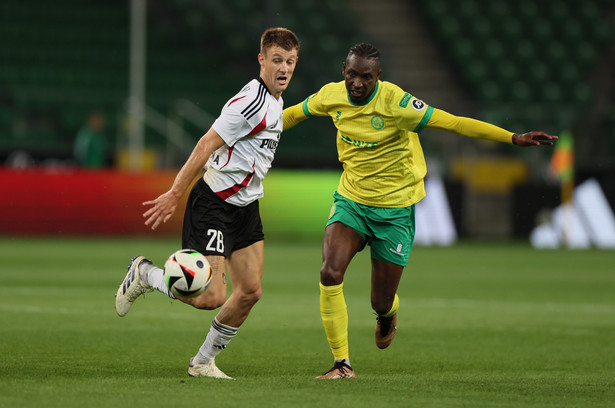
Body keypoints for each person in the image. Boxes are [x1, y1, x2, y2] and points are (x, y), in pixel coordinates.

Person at [282, 43, 557, 379]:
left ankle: (388, 314)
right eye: (352, 74)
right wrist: (251, 131)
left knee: (380, 302)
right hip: (351, 201)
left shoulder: (397, 104)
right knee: (329, 271)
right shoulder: (331, 96)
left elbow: (455, 123)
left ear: (378, 77)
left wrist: (512, 138)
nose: (357, 82)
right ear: (344, 70)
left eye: (365, 77)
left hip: (395, 210)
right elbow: (293, 113)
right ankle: (342, 364)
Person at [114, 27, 300, 379]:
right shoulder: (251, 102)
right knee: (211, 296)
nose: (284, 68)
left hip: (246, 207)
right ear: (261, 61)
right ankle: (146, 274)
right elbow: (205, 145)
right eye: (277, 60)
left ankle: (202, 362)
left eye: (290, 62)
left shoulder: (276, 101)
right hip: (215, 202)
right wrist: (174, 193)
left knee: (250, 292)